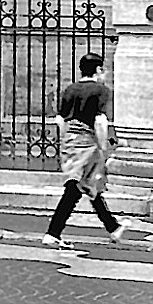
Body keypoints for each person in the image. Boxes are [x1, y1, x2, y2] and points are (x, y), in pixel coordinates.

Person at [42, 52, 127, 248]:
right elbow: (99, 120)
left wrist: (66, 140)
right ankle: (53, 232)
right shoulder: (101, 90)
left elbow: (60, 120)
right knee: (77, 186)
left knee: (89, 185)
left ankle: (113, 227)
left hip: (70, 140)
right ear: (98, 70)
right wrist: (103, 145)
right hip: (88, 140)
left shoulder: (70, 89)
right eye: (102, 69)